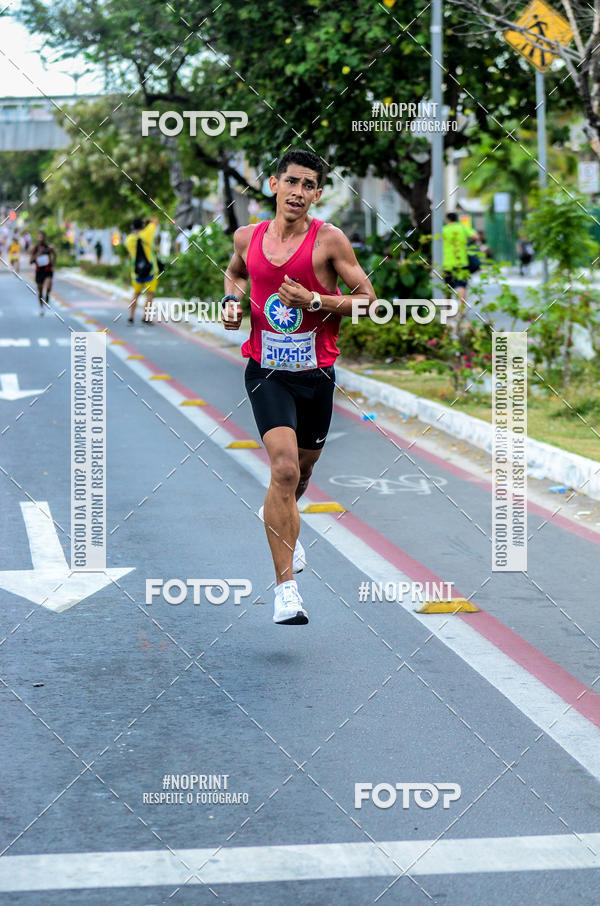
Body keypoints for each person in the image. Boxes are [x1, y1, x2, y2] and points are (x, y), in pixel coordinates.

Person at [222, 149, 376, 625]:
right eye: (292, 182)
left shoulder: (329, 241)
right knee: (284, 471)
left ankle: (280, 515)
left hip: (316, 376)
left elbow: (369, 301)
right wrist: (231, 302)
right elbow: (235, 273)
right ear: (273, 184)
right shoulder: (247, 236)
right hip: (265, 371)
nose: (299, 192)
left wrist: (314, 298)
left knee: (300, 478)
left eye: (309, 185)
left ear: (317, 194)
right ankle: (286, 589)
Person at [124, 217, 159, 324]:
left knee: (136, 293)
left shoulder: (129, 239)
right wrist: (147, 219)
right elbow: (155, 221)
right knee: (150, 294)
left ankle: (131, 316)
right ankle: (146, 317)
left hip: (136, 272)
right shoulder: (147, 234)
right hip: (150, 271)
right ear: (142, 226)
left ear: (132, 227)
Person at [442, 212, 470, 308]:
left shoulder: (444, 230)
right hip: (462, 262)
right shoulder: (462, 228)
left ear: (447, 220)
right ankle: (461, 311)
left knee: (448, 286)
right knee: (461, 286)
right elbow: (476, 236)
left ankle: (448, 309)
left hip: (447, 262)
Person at [29, 230, 56, 314]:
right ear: (37, 238)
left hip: (48, 270)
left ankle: (47, 295)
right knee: (40, 291)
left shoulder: (48, 247)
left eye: (42, 236)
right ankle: (41, 307)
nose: (41, 238)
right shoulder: (35, 248)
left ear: (45, 237)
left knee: (48, 286)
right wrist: (38, 254)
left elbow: (55, 254)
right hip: (39, 271)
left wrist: (53, 262)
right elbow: (30, 261)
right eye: (39, 236)